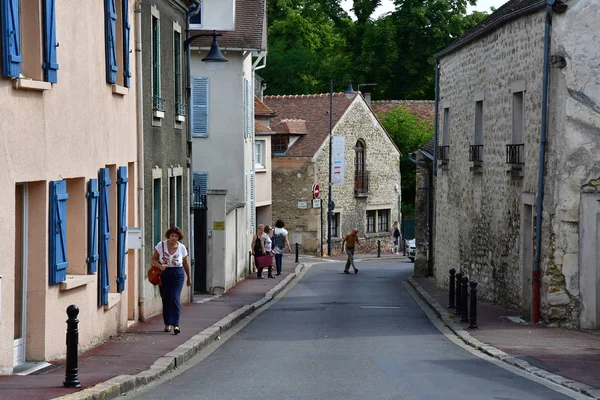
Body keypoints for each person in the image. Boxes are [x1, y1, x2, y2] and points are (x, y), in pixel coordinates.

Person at [151, 226, 191, 335]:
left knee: (174, 297)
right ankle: (167, 323)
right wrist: (160, 266)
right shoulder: (161, 245)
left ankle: (176, 324)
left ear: (179, 237)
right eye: (172, 235)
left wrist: (189, 278)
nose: (174, 238)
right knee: (166, 298)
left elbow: (186, 264)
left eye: (176, 236)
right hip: (164, 274)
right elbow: (153, 259)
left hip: (178, 274)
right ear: (168, 235)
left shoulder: (182, 247)